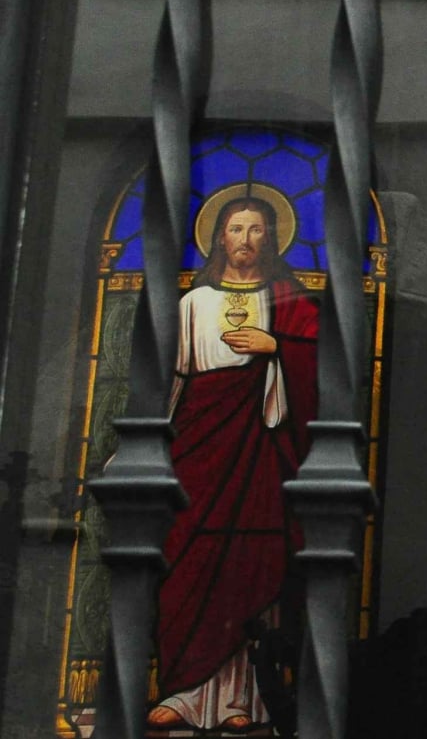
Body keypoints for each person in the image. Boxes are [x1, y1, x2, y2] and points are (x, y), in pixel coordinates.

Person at [146, 195, 318, 731]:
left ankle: (246, 699)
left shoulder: (288, 303)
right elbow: (171, 380)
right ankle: (180, 692)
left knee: (248, 562)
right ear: (218, 237)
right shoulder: (192, 304)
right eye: (236, 229)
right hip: (197, 447)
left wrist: (275, 346)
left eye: (258, 230)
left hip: (255, 451)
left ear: (273, 239)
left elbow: (324, 371)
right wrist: (145, 445)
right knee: (186, 558)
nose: (245, 240)